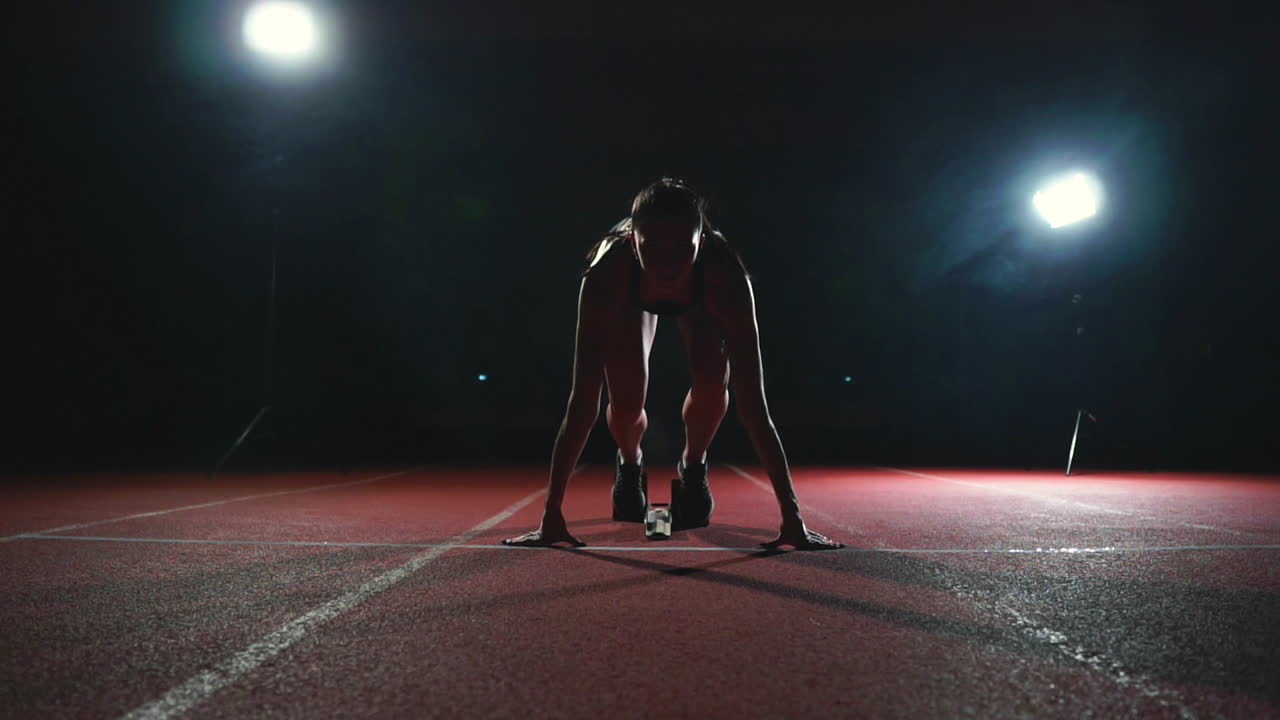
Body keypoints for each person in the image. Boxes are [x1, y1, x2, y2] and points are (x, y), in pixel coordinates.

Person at [503, 178, 843, 551]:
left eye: (683, 248)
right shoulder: (607, 274)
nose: (668, 264)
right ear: (633, 242)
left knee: (714, 382)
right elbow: (583, 401)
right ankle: (630, 464)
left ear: (701, 242)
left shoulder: (724, 276)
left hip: (701, 301)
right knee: (628, 397)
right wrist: (551, 514)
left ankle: (693, 467)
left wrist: (792, 518)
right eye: (654, 249)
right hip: (629, 299)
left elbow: (753, 405)